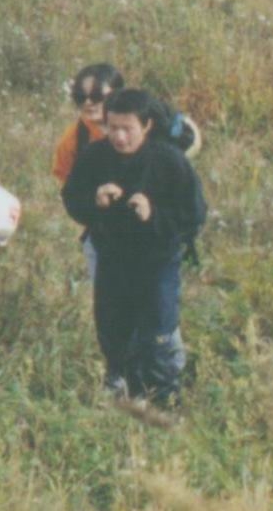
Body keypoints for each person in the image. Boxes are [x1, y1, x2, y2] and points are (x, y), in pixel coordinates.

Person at [62, 89, 207, 407]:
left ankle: (165, 405)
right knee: (114, 330)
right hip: (112, 259)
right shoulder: (96, 156)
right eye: (112, 128)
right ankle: (124, 397)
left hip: (157, 262)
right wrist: (94, 201)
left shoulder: (168, 161)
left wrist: (153, 214)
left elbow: (193, 216)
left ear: (147, 126)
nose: (119, 137)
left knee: (157, 333)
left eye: (127, 129)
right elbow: (72, 198)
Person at [53, 63, 203, 284]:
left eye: (96, 95)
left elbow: (188, 207)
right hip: (107, 244)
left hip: (155, 247)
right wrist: (94, 201)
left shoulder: (153, 137)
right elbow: (71, 192)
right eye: (79, 96)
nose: (88, 102)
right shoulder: (74, 139)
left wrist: (152, 214)